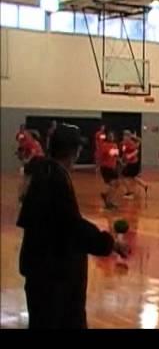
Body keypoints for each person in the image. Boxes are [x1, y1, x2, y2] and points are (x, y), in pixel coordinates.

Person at [16, 123, 129, 329]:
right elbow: (72, 226)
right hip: (56, 277)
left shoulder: (44, 172)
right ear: (74, 152)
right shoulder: (56, 178)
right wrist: (109, 243)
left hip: (38, 268)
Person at [121, 130, 149, 199]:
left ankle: (130, 193)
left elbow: (136, 151)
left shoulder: (131, 143)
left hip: (133, 164)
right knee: (133, 177)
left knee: (123, 176)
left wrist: (130, 156)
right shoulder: (125, 143)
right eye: (124, 135)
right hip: (132, 163)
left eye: (126, 135)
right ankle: (145, 185)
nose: (124, 137)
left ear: (128, 136)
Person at [99, 131, 121, 210]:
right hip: (106, 167)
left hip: (110, 167)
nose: (111, 137)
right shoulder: (105, 145)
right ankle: (108, 202)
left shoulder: (114, 145)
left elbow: (116, 156)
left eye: (112, 136)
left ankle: (106, 196)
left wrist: (119, 161)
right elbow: (108, 154)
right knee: (114, 184)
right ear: (107, 137)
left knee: (114, 184)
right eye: (110, 136)